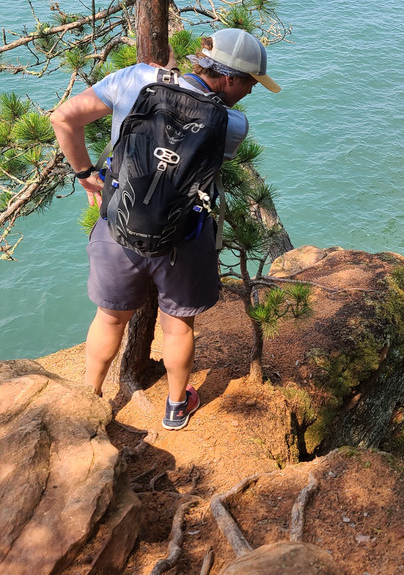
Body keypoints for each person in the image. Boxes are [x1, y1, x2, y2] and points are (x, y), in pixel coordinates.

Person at [50, 28, 280, 429]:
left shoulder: (136, 78)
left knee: (109, 318)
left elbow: (63, 117)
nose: (249, 92)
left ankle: (90, 401)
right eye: (249, 83)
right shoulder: (234, 124)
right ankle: (175, 408)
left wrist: (86, 173)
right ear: (229, 78)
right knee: (177, 326)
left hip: (118, 227)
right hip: (183, 237)